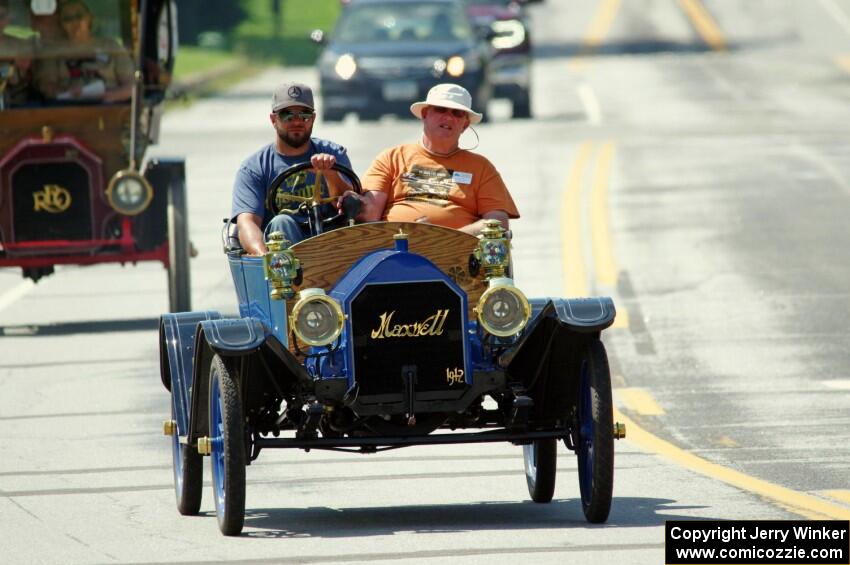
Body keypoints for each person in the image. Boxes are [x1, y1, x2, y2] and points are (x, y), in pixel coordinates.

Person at [353, 83, 519, 236]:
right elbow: (370, 214)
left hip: (457, 258)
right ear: (425, 114)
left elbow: (497, 223)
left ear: (465, 125)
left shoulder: (481, 167)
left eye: (457, 113)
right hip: (395, 250)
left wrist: (444, 238)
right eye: (441, 109)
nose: (448, 117)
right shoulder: (391, 158)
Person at [232, 81, 353, 255]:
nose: (296, 122)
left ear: (313, 118)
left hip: (332, 247)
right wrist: (265, 257)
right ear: (274, 120)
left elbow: (353, 206)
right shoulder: (254, 168)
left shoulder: (334, 155)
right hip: (281, 259)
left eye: (304, 115)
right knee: (282, 222)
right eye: (287, 115)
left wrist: (329, 173)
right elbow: (247, 223)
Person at [34, 0, 133, 103]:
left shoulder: (111, 46)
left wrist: (110, 96)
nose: (75, 22)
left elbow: (132, 86)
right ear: (62, 24)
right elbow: (47, 87)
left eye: (79, 16)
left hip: (109, 107)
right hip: (67, 108)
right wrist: (68, 92)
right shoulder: (53, 51)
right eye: (68, 19)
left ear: (89, 18)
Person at [0, 0, 33, 107]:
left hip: (16, 107)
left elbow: (17, 80)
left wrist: (21, 69)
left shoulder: (19, 45)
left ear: (8, 19)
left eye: (1, 16)